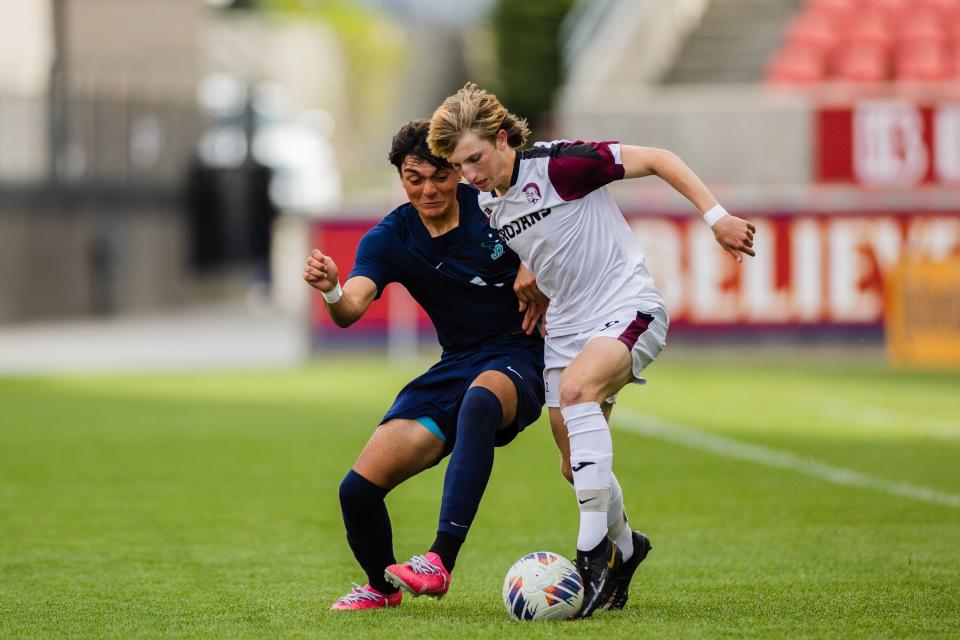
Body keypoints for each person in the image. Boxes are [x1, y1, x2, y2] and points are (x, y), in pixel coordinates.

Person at [428, 83, 756, 617]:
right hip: (567, 326)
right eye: (460, 165)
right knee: (573, 467)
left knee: (579, 393)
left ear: (503, 138)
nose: (469, 174)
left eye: (474, 158)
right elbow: (538, 236)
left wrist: (715, 217)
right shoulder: (489, 200)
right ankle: (627, 548)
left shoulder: (562, 165)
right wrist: (530, 269)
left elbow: (657, 158)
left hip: (627, 305)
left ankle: (589, 558)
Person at [304, 120, 547, 611]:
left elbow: (557, 229)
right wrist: (331, 287)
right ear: (401, 176)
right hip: (455, 364)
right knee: (356, 492)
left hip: (519, 352)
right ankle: (381, 587)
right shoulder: (390, 237)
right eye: (415, 177)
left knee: (480, 401)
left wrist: (536, 259)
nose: (429, 188)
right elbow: (350, 308)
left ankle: (440, 559)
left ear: (457, 171)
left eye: (440, 175)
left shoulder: (495, 207)